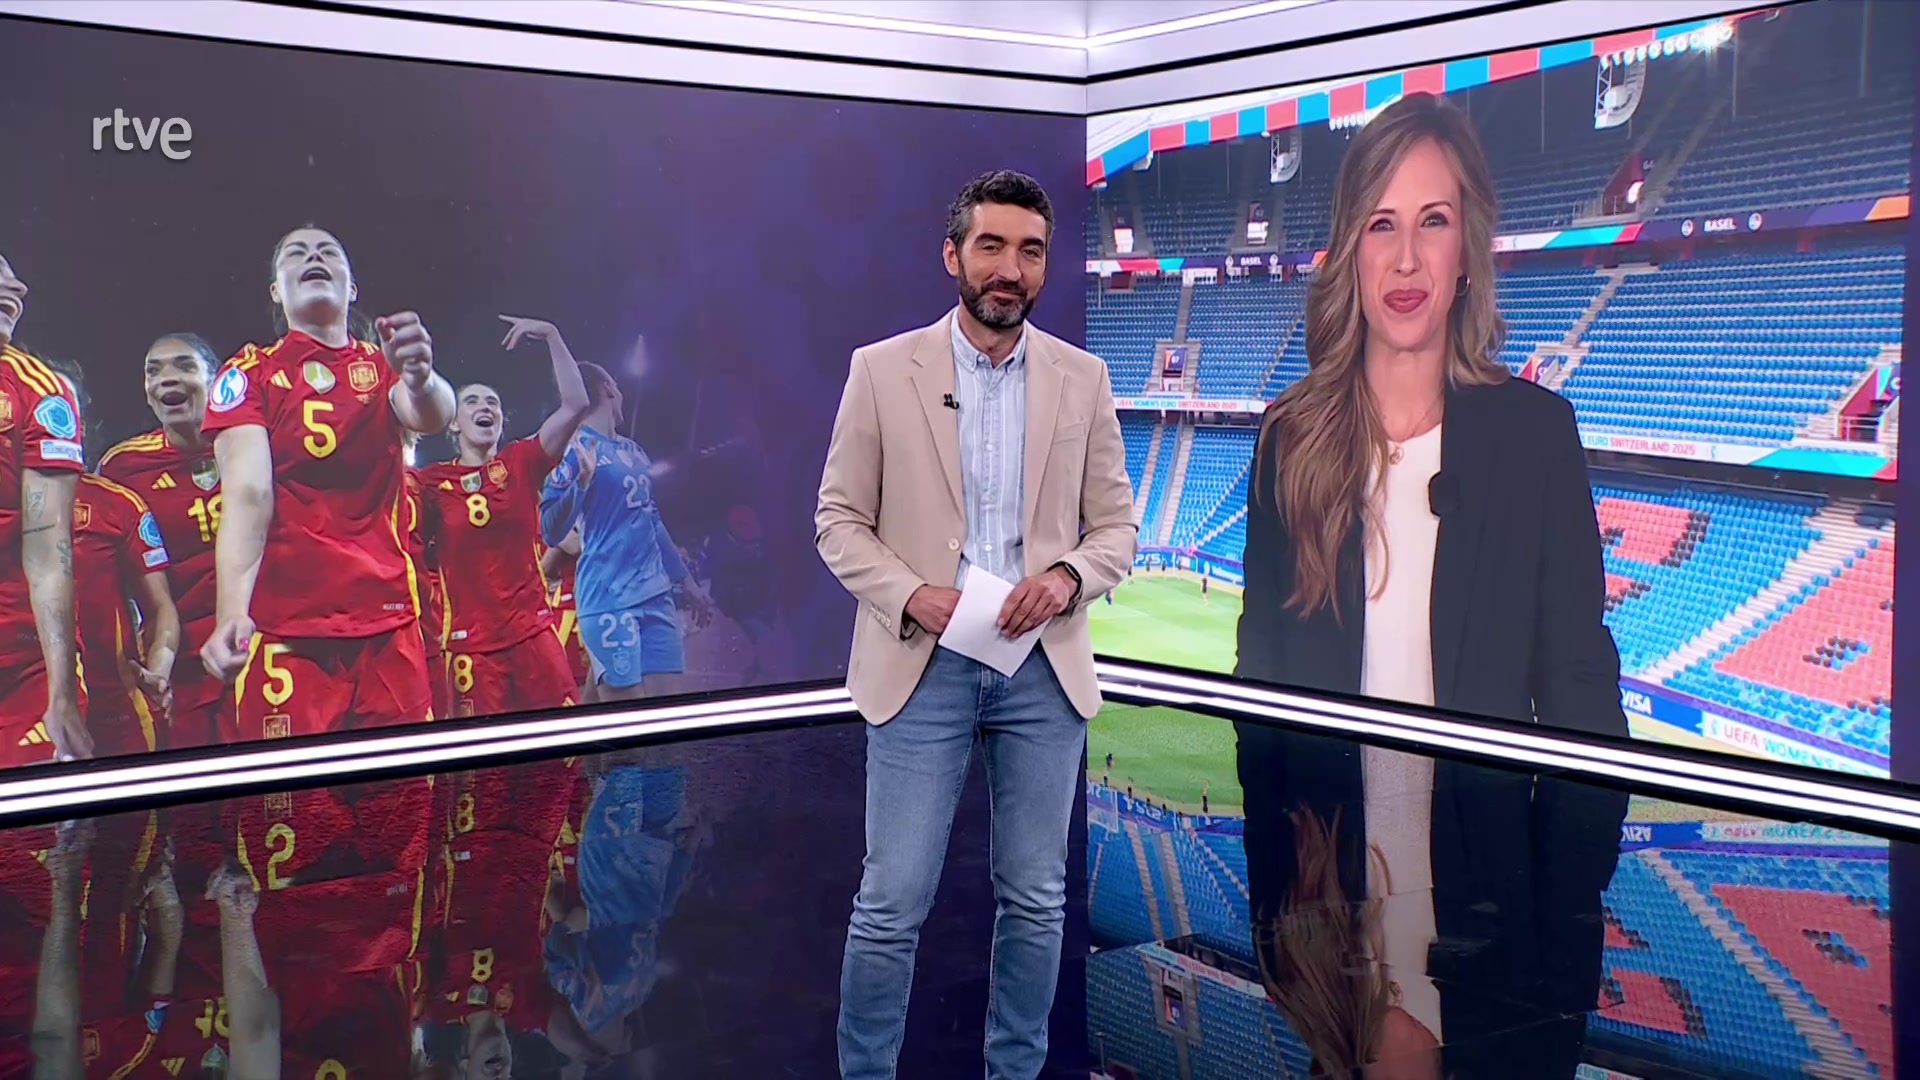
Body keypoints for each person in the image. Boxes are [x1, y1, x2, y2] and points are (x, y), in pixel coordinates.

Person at [1231, 92, 1628, 1078]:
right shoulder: (1290, 441)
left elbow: (1584, 701)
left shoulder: (1536, 436)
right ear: (1350, 251)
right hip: (1329, 926)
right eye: (1382, 225)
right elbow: (1260, 701)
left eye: (1433, 222)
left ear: (1466, 252)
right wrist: (1283, 917)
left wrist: (1563, 926)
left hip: (1499, 939)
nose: (1406, 259)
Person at [814, 169, 1136, 1079]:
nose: (1010, 268)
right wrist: (912, 593)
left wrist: (1067, 578)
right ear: (952, 255)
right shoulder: (882, 370)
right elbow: (838, 520)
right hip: (923, 660)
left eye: (1030, 251)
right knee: (892, 903)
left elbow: (1117, 528)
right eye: (991, 246)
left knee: (1036, 900)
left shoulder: (1083, 378)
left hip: (1044, 671)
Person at [199, 224, 455, 733]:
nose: (313, 256)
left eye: (327, 252)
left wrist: (421, 378)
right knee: (298, 785)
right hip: (288, 628)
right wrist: (231, 611)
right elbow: (248, 494)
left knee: (401, 783)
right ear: (276, 291)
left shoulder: (379, 364)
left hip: (387, 618)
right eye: (296, 253)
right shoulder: (248, 372)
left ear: (351, 287)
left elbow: (431, 415)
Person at [418, 315, 590, 719]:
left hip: (533, 635)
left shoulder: (520, 462)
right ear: (453, 423)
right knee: (485, 759)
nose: (485, 407)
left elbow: (576, 405)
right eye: (472, 402)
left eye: (492, 402)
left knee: (560, 746)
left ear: (500, 422)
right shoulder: (430, 483)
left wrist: (552, 334)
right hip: (471, 650)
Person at [538, 356, 714, 703]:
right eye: (617, 387)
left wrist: (688, 584)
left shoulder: (634, 451)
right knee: (628, 723)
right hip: (610, 600)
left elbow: (652, 523)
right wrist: (580, 484)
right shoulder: (573, 451)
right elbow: (551, 531)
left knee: (666, 717)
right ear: (609, 389)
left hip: (656, 596)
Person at [99, 333, 228, 752]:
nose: (166, 379)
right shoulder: (122, 468)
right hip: (178, 668)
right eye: (153, 372)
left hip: (263, 648)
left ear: (216, 378)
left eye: (184, 366)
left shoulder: (258, 444)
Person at [0, 251, 88, 763]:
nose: (17, 289)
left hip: (20, 664)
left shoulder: (42, 393)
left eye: (13, 279)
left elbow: (48, 553)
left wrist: (61, 691)